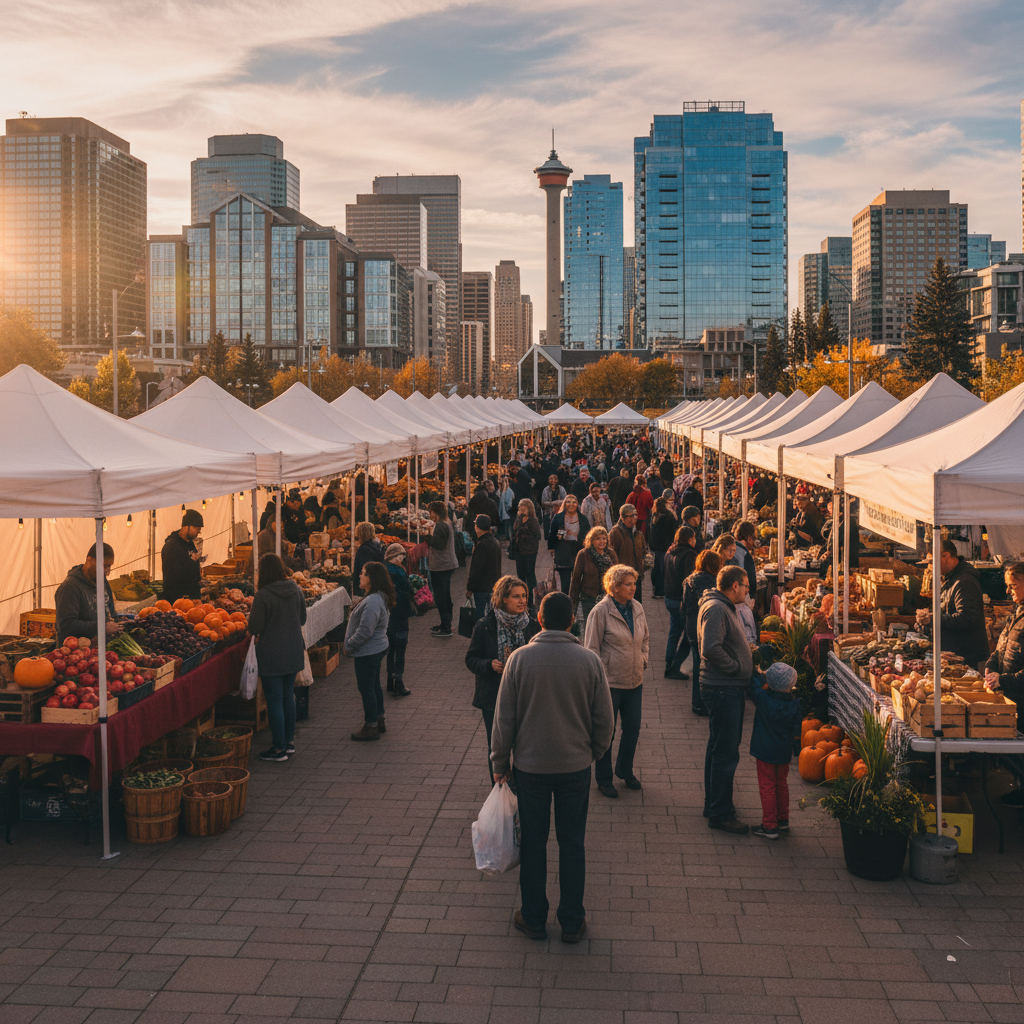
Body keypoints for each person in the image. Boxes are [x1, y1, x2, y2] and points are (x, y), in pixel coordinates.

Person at [491, 591, 613, 945]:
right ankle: (572, 921)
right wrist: (593, 752)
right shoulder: (589, 661)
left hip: (530, 768)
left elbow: (504, 718)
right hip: (575, 767)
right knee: (572, 843)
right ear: (572, 621)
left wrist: (500, 761)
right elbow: (605, 719)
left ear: (539, 620)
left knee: (533, 842)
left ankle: (533, 918)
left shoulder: (519, 660)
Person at [465, 575, 541, 784]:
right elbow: (471, 659)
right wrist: (488, 664)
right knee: (496, 745)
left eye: (524, 595)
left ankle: (520, 786)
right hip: (494, 697)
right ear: (503, 598)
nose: (522, 601)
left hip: (525, 696)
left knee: (524, 744)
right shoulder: (485, 626)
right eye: (516, 596)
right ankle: (499, 787)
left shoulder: (532, 626)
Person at [698, 565, 755, 834]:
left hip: (724, 687)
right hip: (722, 688)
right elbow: (710, 648)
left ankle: (714, 804)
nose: (747, 591)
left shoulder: (721, 606)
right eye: (746, 586)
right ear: (735, 586)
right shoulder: (718, 608)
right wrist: (735, 667)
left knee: (718, 748)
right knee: (726, 752)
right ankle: (720, 813)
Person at [585, 565, 650, 799]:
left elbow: (646, 638)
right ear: (614, 587)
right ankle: (604, 778)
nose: (633, 588)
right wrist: (600, 676)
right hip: (609, 683)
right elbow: (591, 649)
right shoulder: (600, 612)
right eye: (628, 584)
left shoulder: (637, 607)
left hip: (634, 680)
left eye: (634, 583)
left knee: (632, 728)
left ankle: (624, 769)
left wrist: (643, 659)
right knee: (607, 732)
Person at [248, 553, 307, 762]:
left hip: (272, 653)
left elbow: (254, 627)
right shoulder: (295, 589)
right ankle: (289, 743)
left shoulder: (263, 595)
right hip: (293, 650)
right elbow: (302, 619)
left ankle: (278, 748)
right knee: (287, 695)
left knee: (274, 700)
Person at [913, 539, 989, 668]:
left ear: (945, 556)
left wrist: (933, 619)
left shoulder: (964, 582)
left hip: (966, 657)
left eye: (931, 562)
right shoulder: (950, 579)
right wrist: (927, 619)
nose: (930, 567)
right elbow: (947, 611)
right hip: (954, 654)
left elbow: (966, 618)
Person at [748, 663, 802, 840]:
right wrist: (796, 749)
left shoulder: (763, 699)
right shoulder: (794, 704)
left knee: (767, 786)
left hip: (765, 749)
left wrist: (758, 673)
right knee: (781, 784)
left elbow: (752, 685)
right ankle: (783, 819)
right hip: (783, 751)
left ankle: (769, 825)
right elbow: (796, 729)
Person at [345, 561, 395, 741]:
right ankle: (378, 719)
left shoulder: (374, 601)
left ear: (372, 578)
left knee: (366, 687)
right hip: (374, 648)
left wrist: (350, 644)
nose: (360, 576)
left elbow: (366, 630)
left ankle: (371, 725)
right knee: (373, 685)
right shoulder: (375, 597)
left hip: (369, 651)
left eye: (364, 573)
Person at [54, 542, 119, 645]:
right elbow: (66, 625)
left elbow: (111, 612)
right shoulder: (70, 587)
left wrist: (121, 621)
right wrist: (101, 627)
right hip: (77, 650)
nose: (108, 571)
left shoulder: (102, 581)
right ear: (90, 560)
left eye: (109, 566)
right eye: (105, 566)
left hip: (102, 646)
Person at [684, 549, 722, 716]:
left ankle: (696, 703)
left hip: (691, 626)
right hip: (704, 627)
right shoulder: (712, 582)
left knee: (697, 665)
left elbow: (684, 606)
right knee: (705, 668)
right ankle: (702, 703)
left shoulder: (689, 579)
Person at [664, 525, 698, 681]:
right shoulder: (689, 554)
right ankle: (674, 666)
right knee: (688, 635)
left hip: (669, 597)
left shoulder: (670, 551)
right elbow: (689, 580)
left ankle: (669, 664)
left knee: (675, 632)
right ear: (690, 539)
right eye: (694, 538)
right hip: (680, 600)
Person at [569, 526, 614, 633]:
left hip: (607, 598)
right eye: (598, 538)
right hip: (589, 597)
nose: (602, 541)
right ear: (592, 540)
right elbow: (576, 579)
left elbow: (617, 576)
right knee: (591, 628)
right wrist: (572, 602)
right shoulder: (583, 554)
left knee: (606, 629)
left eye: (604, 538)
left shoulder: (611, 554)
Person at [384, 544, 415, 698]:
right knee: (400, 648)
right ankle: (399, 682)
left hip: (388, 615)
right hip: (400, 614)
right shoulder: (400, 572)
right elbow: (408, 590)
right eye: (401, 556)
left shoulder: (382, 571)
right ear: (395, 557)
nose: (403, 559)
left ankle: (390, 679)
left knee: (390, 648)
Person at [425, 500, 458, 638]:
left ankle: (446, 627)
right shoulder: (446, 523)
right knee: (444, 595)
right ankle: (446, 623)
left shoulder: (441, 525)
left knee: (441, 597)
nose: (430, 514)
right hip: (446, 564)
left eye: (431, 511)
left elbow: (438, 544)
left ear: (436, 512)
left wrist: (427, 536)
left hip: (441, 565)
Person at [548, 495, 590, 594]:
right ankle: (566, 600)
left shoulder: (583, 519)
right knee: (565, 583)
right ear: (565, 504)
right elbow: (552, 534)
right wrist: (553, 545)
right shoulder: (558, 518)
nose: (571, 504)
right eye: (568, 502)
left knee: (578, 581)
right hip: (563, 552)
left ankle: (576, 601)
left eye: (574, 502)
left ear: (577, 504)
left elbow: (588, 535)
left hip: (578, 551)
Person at [160, 509, 204, 604]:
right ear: (187, 526)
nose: (198, 533)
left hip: (192, 597)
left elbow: (193, 562)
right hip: (177, 600)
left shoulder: (190, 543)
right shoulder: (171, 547)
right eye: (197, 529)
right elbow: (173, 576)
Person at [608, 504, 648, 604]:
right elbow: (611, 556)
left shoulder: (637, 532)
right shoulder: (615, 533)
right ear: (623, 517)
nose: (635, 518)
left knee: (636, 605)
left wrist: (646, 562)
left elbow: (644, 551)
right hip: (623, 578)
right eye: (631, 516)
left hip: (636, 576)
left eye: (635, 515)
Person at [467, 514, 502, 617]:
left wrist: (470, 588)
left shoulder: (482, 544)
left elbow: (476, 569)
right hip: (493, 585)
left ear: (478, 527)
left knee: (481, 616)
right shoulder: (494, 541)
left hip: (482, 588)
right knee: (491, 615)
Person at [510, 499, 542, 607]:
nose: (521, 509)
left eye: (523, 508)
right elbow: (514, 531)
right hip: (519, 552)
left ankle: (532, 599)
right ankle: (522, 597)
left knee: (530, 574)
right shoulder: (518, 519)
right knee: (521, 575)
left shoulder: (533, 521)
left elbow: (538, 536)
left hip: (530, 552)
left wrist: (526, 537)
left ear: (529, 508)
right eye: (520, 508)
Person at [648, 494, 678, 598]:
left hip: (657, 547)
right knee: (663, 570)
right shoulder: (668, 516)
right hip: (665, 546)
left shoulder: (655, 516)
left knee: (657, 569)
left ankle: (658, 590)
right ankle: (662, 591)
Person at [352, 521, 385, 595]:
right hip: (376, 586)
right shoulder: (377, 546)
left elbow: (364, 570)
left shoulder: (364, 549)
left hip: (365, 589)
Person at [734, 521, 758, 594]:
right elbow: (751, 582)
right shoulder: (745, 555)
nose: (754, 543)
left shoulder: (730, 549)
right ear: (749, 538)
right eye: (754, 539)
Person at [496, 474, 515, 540]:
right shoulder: (498, 491)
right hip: (499, 514)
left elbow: (508, 504)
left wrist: (504, 490)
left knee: (506, 532)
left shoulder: (509, 492)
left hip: (507, 515)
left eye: (505, 481)